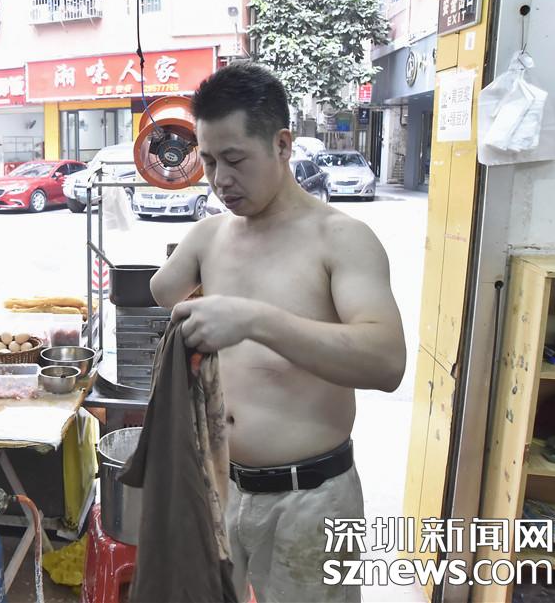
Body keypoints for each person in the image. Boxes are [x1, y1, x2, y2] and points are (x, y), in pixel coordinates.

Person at [150, 63, 406, 603]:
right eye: (209, 161)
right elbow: (161, 289)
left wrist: (254, 320)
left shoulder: (341, 239)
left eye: (235, 159)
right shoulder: (212, 235)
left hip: (311, 501)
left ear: (282, 145)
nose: (220, 179)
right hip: (223, 488)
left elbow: (386, 362)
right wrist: (197, 245)